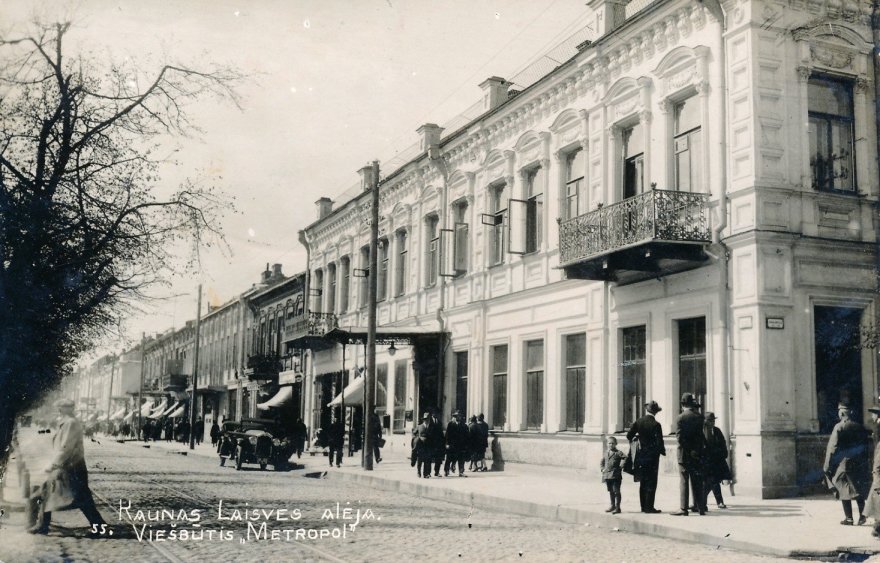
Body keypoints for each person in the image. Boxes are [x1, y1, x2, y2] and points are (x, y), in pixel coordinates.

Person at [29, 399, 109, 536]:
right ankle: (42, 525)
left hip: (71, 466)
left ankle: (100, 527)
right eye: (59, 407)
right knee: (48, 493)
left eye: (61, 407)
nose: (59, 410)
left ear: (69, 409)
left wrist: (54, 464)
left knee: (81, 498)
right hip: (68, 465)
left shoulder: (70, 423)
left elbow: (66, 447)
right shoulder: (66, 422)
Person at [824, 402, 871, 526]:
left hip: (844, 463)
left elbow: (832, 448)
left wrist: (827, 466)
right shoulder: (860, 427)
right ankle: (862, 516)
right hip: (858, 463)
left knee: (842, 487)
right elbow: (866, 447)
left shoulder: (839, 427)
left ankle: (849, 518)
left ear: (841, 413)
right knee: (857, 489)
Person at [626, 400, 666, 513]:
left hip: (641, 456)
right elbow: (659, 442)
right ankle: (649, 507)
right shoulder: (656, 425)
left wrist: (637, 438)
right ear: (656, 412)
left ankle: (643, 506)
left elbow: (629, 436)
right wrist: (661, 451)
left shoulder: (639, 422)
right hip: (652, 458)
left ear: (647, 410)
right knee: (652, 482)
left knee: (643, 481)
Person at [672, 393, 706, 516]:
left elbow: (680, 438)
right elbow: (701, 436)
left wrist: (689, 450)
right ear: (692, 404)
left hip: (684, 454)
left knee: (684, 480)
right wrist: (696, 450)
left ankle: (683, 509)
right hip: (697, 454)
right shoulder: (699, 417)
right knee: (697, 480)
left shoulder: (680, 418)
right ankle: (700, 507)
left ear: (682, 404)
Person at [701, 412, 731, 510]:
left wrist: (723, 453)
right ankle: (718, 502)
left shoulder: (717, 430)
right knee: (712, 481)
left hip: (717, 461)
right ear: (705, 421)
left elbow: (723, 442)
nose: (712, 422)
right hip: (706, 461)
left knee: (713, 481)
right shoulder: (702, 431)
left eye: (713, 420)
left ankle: (703, 500)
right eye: (710, 420)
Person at [863, 405, 880, 536]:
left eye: (874, 413)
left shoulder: (878, 426)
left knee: (877, 498)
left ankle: (877, 527)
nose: (872, 416)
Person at [601, 436, 627, 514]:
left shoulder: (618, 453)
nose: (611, 445)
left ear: (616, 444)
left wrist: (621, 466)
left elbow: (625, 458)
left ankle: (618, 507)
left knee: (616, 491)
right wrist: (602, 469)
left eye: (613, 443)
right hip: (607, 476)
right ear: (607, 444)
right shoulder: (606, 453)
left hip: (616, 475)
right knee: (611, 491)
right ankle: (612, 506)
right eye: (609, 443)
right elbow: (602, 462)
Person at [444, 411, 469, 477]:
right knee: (449, 458)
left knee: (461, 459)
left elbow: (467, 436)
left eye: (459, 416)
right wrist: (447, 443)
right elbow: (447, 435)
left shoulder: (464, 425)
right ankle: (446, 470)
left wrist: (466, 445)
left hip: (461, 445)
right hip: (452, 445)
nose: (458, 417)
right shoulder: (451, 424)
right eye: (457, 416)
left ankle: (461, 471)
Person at [415, 412, 433, 478]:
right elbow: (414, 434)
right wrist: (418, 439)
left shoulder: (431, 427)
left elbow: (433, 437)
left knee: (427, 460)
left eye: (427, 419)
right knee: (419, 460)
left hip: (428, 446)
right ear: (423, 420)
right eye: (425, 419)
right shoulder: (419, 426)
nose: (426, 420)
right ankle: (419, 472)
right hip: (421, 446)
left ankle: (425, 474)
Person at [429, 411, 445, 477]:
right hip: (431, 443)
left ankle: (437, 472)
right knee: (429, 459)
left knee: (438, 459)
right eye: (434, 413)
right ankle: (428, 472)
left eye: (437, 413)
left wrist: (443, 442)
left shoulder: (439, 422)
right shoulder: (429, 421)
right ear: (432, 414)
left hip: (438, 444)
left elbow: (441, 433)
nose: (435, 414)